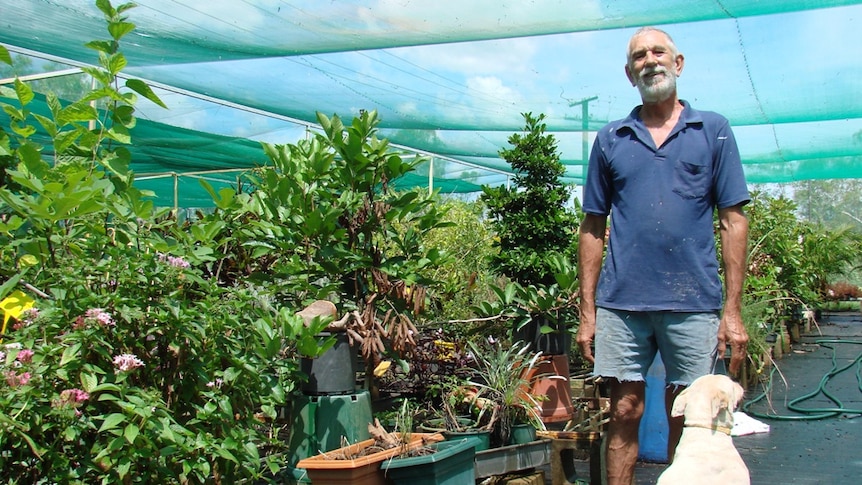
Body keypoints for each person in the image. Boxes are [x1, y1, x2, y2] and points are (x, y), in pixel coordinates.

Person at [576, 27, 750, 485]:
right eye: (639, 56)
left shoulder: (713, 131)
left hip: (693, 303)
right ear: (629, 72)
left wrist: (732, 311)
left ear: (679, 63)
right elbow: (593, 226)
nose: (649, 60)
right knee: (625, 410)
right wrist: (587, 312)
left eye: (659, 52)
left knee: (687, 418)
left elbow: (733, 220)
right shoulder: (612, 137)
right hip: (622, 303)